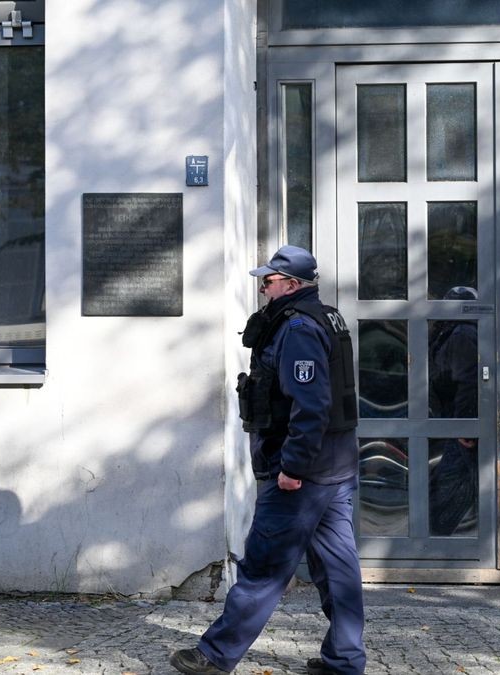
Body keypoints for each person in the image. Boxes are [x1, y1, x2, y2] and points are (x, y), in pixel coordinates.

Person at [171, 245, 365, 675]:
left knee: (264, 566)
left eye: (270, 280)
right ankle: (345, 660)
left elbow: (311, 405)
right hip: (335, 466)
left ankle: (215, 655)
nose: (263, 286)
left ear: (292, 284)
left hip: (304, 472)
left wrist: (293, 467)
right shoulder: (324, 316)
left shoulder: (297, 327)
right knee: (337, 567)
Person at [427, 286, 480, 536]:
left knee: (452, 481)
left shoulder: (461, 333)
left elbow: (467, 381)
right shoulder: (457, 331)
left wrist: (464, 424)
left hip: (461, 423)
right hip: (455, 421)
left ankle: (437, 538)